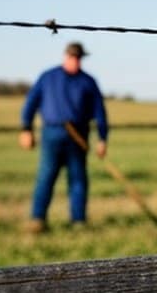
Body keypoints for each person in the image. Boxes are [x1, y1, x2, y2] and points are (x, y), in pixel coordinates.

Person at [19, 42, 108, 232]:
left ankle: (78, 221)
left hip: (78, 135)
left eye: (79, 58)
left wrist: (102, 138)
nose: (76, 61)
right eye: (73, 57)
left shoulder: (88, 81)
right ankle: (38, 219)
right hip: (52, 132)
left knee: (78, 179)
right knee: (46, 176)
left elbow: (100, 111)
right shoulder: (48, 77)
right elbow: (30, 103)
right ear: (65, 56)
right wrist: (26, 129)